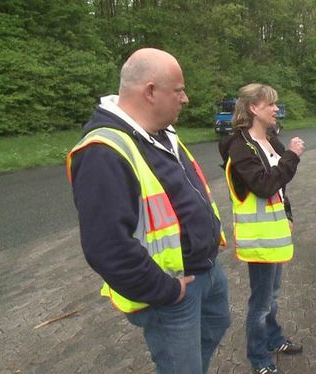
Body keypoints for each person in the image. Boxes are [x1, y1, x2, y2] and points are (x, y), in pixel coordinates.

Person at [66, 48, 231, 374]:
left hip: (206, 270)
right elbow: (106, 247)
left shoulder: (161, 132)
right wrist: (166, 290)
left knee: (214, 330)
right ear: (151, 92)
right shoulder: (103, 151)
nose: (186, 99)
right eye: (179, 90)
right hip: (172, 290)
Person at [219, 83, 305, 374]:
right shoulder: (239, 147)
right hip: (257, 238)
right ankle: (259, 358)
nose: (276, 109)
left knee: (273, 295)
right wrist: (293, 155)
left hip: (275, 235)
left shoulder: (270, 141)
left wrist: (288, 212)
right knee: (261, 301)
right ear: (254, 108)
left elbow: (280, 188)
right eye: (271, 104)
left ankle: (273, 339)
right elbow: (264, 184)